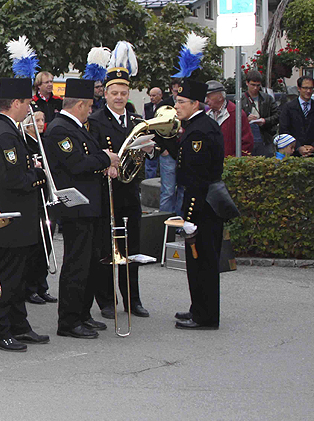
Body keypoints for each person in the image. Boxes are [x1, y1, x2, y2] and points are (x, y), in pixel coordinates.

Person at [44, 79, 120, 339]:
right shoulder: (59, 129)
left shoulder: (75, 127)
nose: (90, 111)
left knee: (88, 263)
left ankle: (82, 314)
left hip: (89, 206)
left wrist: (102, 160)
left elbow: (89, 156)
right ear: (79, 105)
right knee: (76, 265)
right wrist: (105, 158)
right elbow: (76, 163)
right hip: (75, 206)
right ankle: (68, 320)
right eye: (88, 106)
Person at [0, 78, 51, 352]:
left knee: (18, 277)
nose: (30, 109)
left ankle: (19, 325)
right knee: (7, 277)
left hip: (17, 216)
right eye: (28, 104)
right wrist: (38, 175)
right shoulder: (4, 134)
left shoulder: (7, 130)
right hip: (11, 215)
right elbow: (12, 179)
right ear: (17, 103)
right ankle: (0, 331)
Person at [155, 78, 225, 329]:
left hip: (203, 205)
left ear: (196, 103)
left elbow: (198, 179)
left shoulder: (199, 131)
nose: (177, 105)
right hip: (202, 203)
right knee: (196, 262)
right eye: (176, 100)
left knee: (203, 261)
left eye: (182, 102)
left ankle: (205, 317)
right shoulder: (195, 126)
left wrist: (191, 217)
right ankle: (198, 309)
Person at [88, 63, 150, 320]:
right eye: (114, 91)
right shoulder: (95, 121)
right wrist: (105, 163)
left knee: (131, 249)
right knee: (106, 249)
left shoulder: (136, 120)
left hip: (129, 192)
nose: (119, 97)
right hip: (107, 193)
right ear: (105, 93)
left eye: (123, 92)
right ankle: (106, 301)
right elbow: (92, 153)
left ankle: (132, 299)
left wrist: (149, 149)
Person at [22, 108, 57, 305]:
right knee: (36, 245)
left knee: (47, 244)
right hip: (35, 196)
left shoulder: (44, 142)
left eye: (43, 119)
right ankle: (30, 287)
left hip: (48, 195)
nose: (41, 123)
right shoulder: (25, 142)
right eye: (37, 119)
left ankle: (41, 284)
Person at [205, 81, 253, 157]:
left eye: (209, 97)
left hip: (230, 164)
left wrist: (234, 161)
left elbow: (247, 143)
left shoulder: (236, 113)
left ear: (220, 97)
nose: (206, 100)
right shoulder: (206, 114)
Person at [240, 71, 279, 156]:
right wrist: (246, 119)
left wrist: (264, 121)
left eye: (258, 85)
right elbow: (235, 119)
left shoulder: (267, 98)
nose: (255, 88)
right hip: (247, 138)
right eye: (253, 85)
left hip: (265, 138)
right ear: (247, 83)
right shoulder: (240, 100)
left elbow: (277, 115)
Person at [278, 75, 314, 157]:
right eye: (305, 88)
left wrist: (312, 147)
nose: (308, 91)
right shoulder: (288, 107)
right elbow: (284, 130)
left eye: (311, 88)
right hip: (294, 155)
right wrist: (298, 147)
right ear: (299, 88)